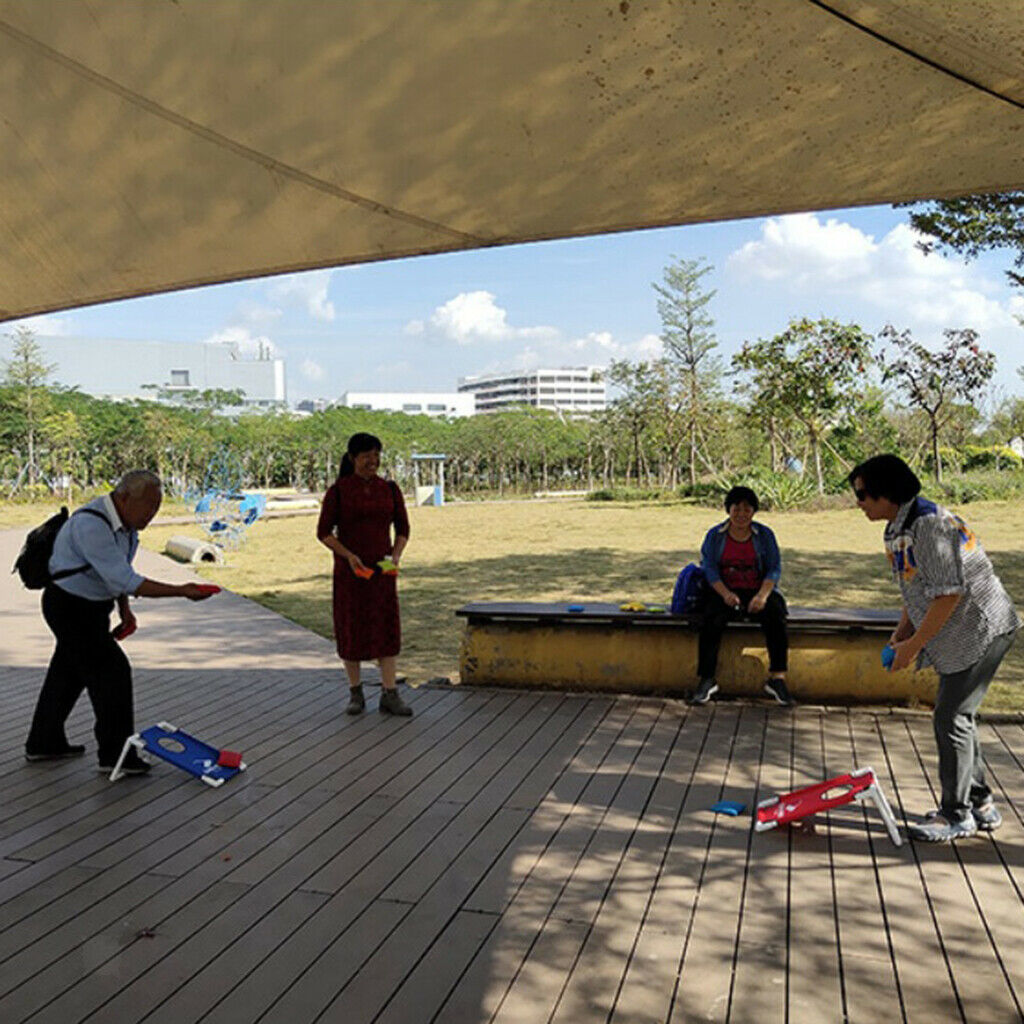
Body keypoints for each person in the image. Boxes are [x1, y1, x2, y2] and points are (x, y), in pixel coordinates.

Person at [850, 454, 1020, 842]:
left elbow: (947, 596)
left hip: (982, 629)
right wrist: (901, 634)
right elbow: (914, 589)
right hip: (957, 633)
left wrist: (913, 647)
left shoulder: (929, 526)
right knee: (958, 717)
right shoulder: (897, 527)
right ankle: (980, 804)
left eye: (862, 495)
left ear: (886, 493)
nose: (858, 502)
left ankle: (956, 814)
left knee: (951, 718)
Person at [25, 470, 217, 773]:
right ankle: (115, 755)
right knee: (111, 672)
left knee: (69, 672)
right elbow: (125, 578)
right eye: (148, 507)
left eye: (157, 508)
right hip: (68, 607)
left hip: (93, 607)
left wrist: (124, 611)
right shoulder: (92, 525)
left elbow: (115, 574)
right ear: (124, 497)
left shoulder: (127, 527)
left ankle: (44, 742)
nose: (151, 515)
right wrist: (182, 591)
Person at [316, 432, 412, 716]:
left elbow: (403, 529)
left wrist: (395, 557)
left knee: (386, 627)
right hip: (351, 572)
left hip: (382, 570)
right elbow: (323, 533)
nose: (373, 461)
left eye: (376, 454)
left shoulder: (390, 489)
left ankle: (390, 693)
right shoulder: (339, 491)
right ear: (352, 458)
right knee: (351, 627)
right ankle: (355, 693)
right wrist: (348, 555)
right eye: (366, 455)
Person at [689, 485, 793, 706]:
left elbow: (774, 568)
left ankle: (777, 679)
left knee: (775, 615)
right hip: (724, 591)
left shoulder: (764, 535)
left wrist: (762, 596)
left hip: (758, 591)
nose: (741, 514)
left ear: (754, 512)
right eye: (736, 509)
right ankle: (706, 680)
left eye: (747, 509)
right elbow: (709, 569)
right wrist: (726, 594)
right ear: (728, 510)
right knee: (710, 619)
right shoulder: (715, 536)